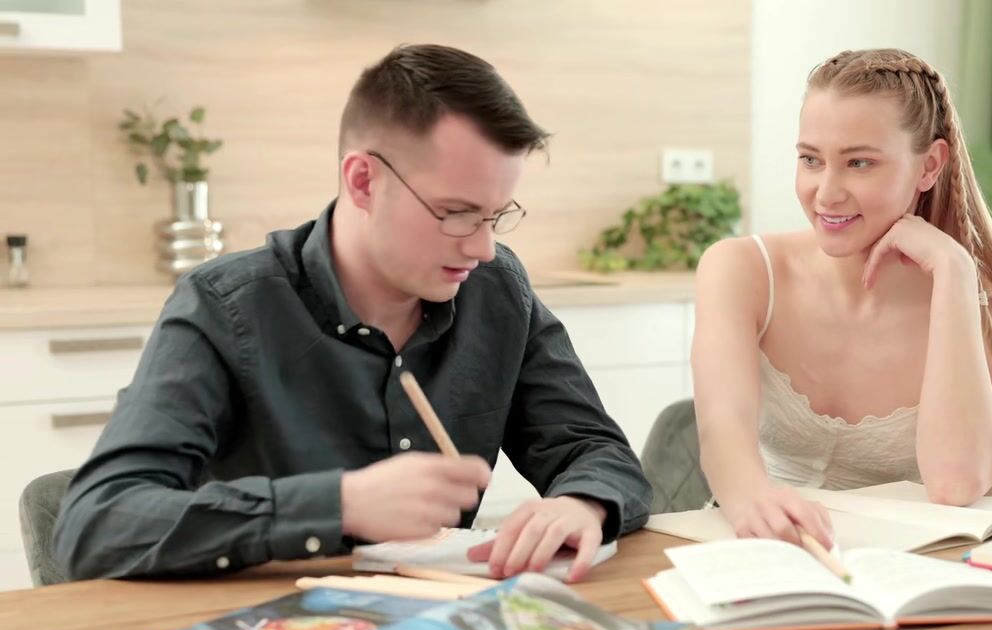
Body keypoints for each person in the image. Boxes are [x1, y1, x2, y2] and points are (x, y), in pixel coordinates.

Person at [53, 44, 651, 583]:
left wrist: (582, 503)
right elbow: (97, 524)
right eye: (456, 213)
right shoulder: (226, 306)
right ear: (363, 181)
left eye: (496, 215)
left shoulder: (495, 290)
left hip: (442, 629)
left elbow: (595, 451)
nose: (483, 247)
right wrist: (339, 506)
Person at [691, 48, 992, 545]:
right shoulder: (741, 270)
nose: (826, 193)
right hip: (759, 544)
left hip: (905, 565)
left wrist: (955, 273)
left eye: (859, 163)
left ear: (929, 166)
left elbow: (955, 483)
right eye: (810, 159)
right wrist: (754, 501)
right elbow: (721, 431)